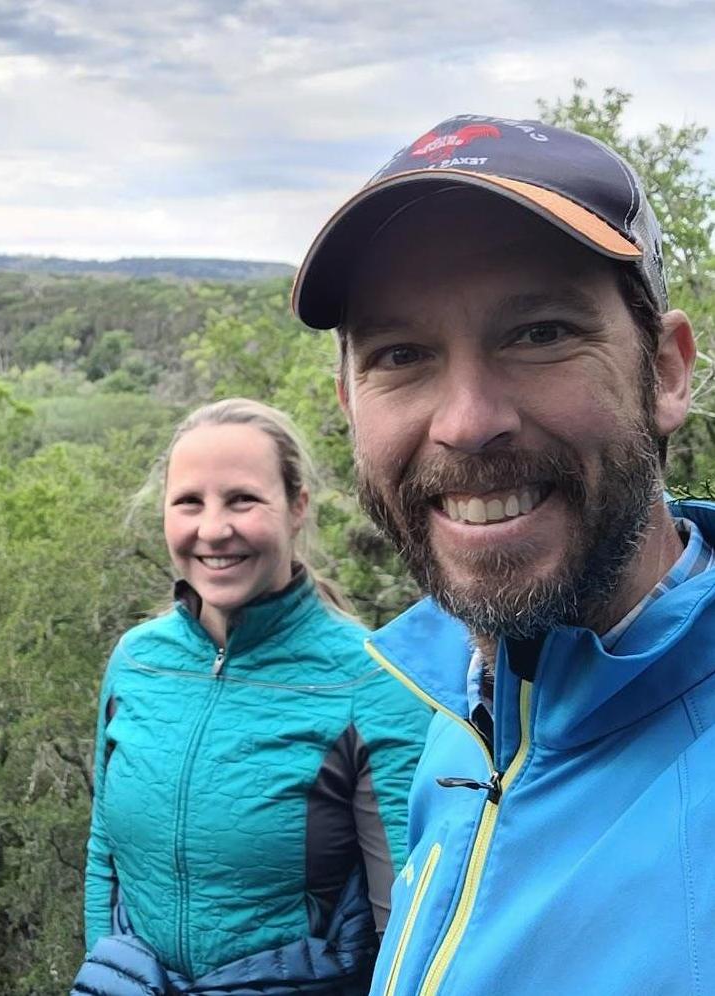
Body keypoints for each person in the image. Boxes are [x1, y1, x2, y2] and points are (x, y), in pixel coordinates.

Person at [291, 113, 715, 994]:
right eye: (403, 355)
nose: (467, 421)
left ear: (667, 370)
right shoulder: (466, 721)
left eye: (541, 333)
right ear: (348, 402)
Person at [71, 398, 431, 996]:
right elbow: (106, 856)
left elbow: (410, 924)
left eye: (242, 499)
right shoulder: (136, 663)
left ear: (297, 508)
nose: (213, 529)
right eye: (189, 502)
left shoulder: (368, 681)